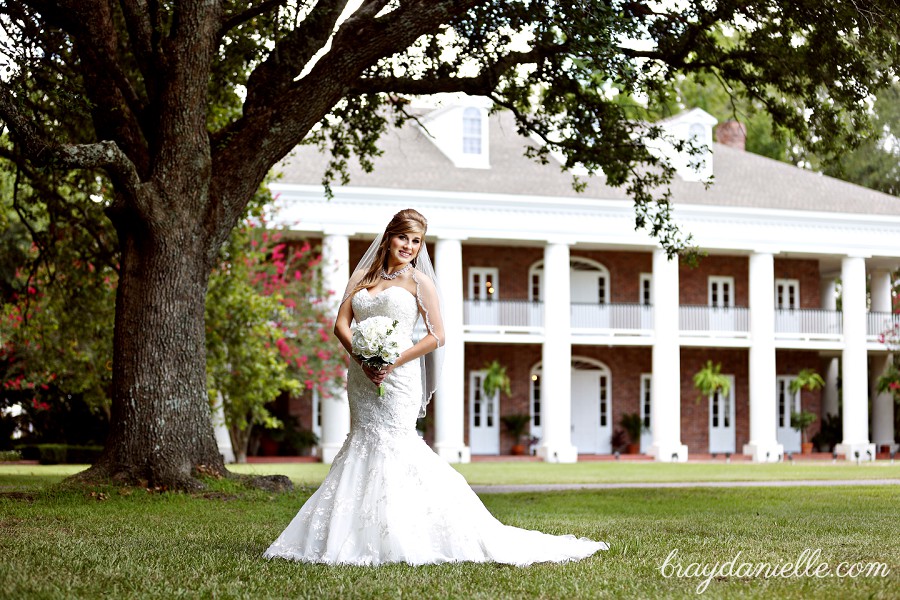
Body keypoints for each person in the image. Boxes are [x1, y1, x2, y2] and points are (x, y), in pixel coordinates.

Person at [263, 209, 608, 566]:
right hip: (362, 376)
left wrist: (392, 361)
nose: (409, 247)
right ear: (389, 237)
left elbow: (438, 335)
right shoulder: (363, 276)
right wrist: (364, 360)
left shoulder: (419, 282)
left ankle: (406, 530)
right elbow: (341, 324)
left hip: (399, 376)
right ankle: (349, 532)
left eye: (416, 241)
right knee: (363, 440)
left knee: (395, 443)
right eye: (404, 238)